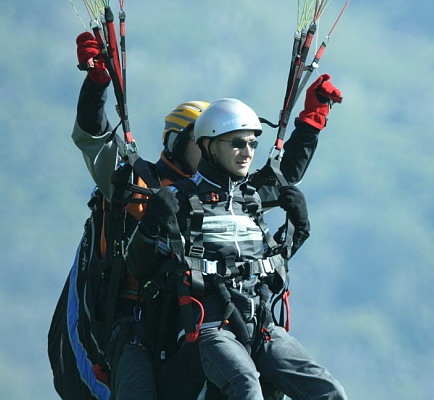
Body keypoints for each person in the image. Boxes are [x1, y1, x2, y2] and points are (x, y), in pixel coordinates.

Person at [66, 31, 343, 400]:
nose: (240, 151)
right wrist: (97, 83)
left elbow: (282, 178)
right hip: (139, 320)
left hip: (216, 311)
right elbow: (94, 139)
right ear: (184, 143)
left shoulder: (230, 194)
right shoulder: (138, 184)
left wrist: (311, 121)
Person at [126, 97, 348, 399]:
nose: (247, 153)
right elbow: (140, 267)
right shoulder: (179, 200)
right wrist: (151, 224)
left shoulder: (251, 200)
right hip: (210, 328)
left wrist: (298, 230)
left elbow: (271, 263)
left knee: (329, 391)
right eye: (237, 144)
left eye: (252, 144)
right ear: (209, 146)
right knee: (246, 386)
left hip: (261, 326)